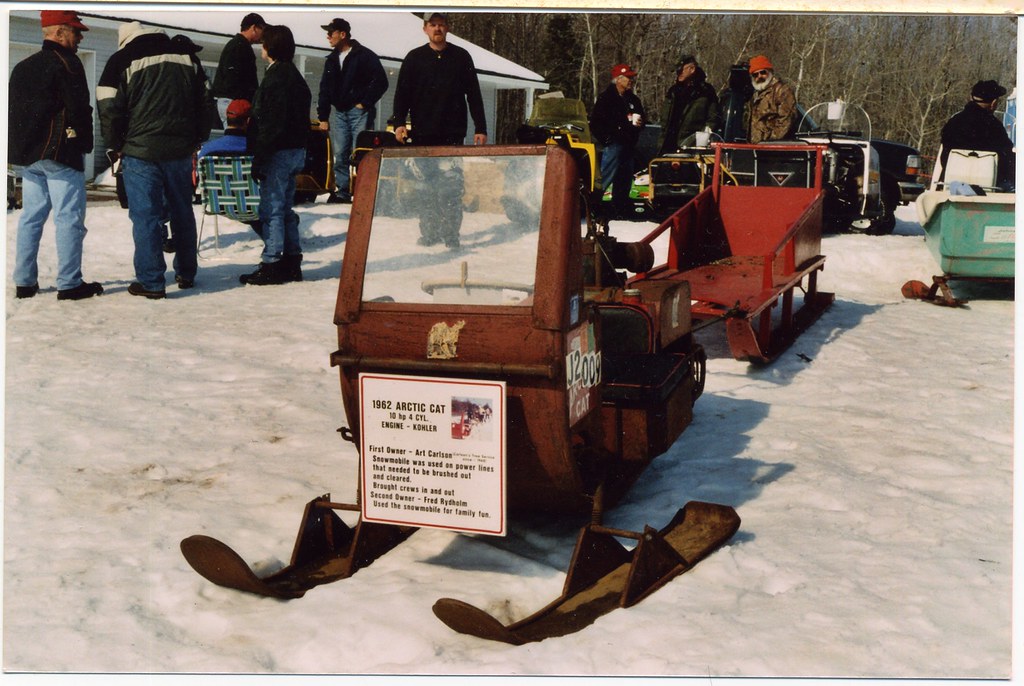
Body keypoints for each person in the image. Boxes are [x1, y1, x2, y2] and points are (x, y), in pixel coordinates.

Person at [97, 21, 215, 299]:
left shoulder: (120, 60)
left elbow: (109, 107)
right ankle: (187, 273)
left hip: (140, 151)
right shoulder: (188, 57)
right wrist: (197, 137)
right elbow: (206, 101)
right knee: (182, 211)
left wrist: (116, 144)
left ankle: (151, 282)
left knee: (147, 216)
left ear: (125, 40)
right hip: (179, 150)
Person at [8, 10, 103, 301]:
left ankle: (24, 281)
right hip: (60, 153)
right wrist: (85, 144)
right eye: (75, 31)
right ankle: (69, 283)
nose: (80, 36)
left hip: (30, 156)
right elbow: (79, 109)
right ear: (59, 33)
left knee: (31, 218)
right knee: (69, 219)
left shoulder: (23, 66)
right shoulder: (67, 62)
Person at [387, 12, 488, 248]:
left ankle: (451, 234)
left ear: (448, 28)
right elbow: (402, 94)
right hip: (423, 133)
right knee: (426, 188)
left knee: (451, 188)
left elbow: (474, 94)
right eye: (433, 25)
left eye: (441, 25)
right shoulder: (414, 58)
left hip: (452, 133)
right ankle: (430, 233)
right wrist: (399, 123)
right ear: (425, 29)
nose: (437, 29)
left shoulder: (461, 57)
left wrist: (480, 127)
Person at [240, 24, 312, 285]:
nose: (261, 47)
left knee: (271, 209)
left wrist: (260, 158)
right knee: (284, 209)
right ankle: (292, 261)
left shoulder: (275, 78)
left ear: (269, 47)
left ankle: (272, 262)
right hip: (295, 150)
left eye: (264, 43)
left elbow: (271, 124)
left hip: (278, 152)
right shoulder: (295, 76)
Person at [316, 17, 388, 204]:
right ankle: (342, 192)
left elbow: (381, 81)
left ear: (343, 34)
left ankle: (365, 191)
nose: (328, 37)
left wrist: (364, 103)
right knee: (340, 153)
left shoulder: (365, 56)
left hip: (359, 113)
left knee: (362, 153)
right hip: (339, 112)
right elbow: (324, 88)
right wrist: (323, 116)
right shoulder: (331, 60)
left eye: (331, 33)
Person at [589, 63, 646, 218]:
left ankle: (620, 209)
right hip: (613, 145)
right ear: (618, 79)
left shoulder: (633, 99)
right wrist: (607, 139)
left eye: (631, 77)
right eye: (628, 77)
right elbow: (595, 123)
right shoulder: (606, 98)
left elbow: (642, 118)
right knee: (606, 176)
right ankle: (593, 207)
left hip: (628, 145)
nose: (630, 80)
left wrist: (640, 124)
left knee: (625, 178)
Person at [940, 80, 1015, 190]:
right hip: (989, 188)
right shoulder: (995, 127)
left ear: (971, 97)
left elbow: (944, 157)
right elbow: (1007, 159)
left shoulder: (953, 122)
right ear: (994, 103)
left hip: (952, 186)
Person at [657, 54, 722, 154]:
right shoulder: (673, 91)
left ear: (692, 69)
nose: (678, 73)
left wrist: (704, 136)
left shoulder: (705, 91)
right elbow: (665, 119)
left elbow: (713, 118)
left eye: (680, 70)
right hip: (669, 145)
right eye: (677, 71)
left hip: (692, 146)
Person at [211, 13, 265, 125]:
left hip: (231, 101)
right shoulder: (239, 46)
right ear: (254, 27)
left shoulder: (239, 44)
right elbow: (232, 78)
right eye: (262, 29)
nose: (263, 35)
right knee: (237, 137)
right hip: (233, 103)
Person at [744, 55, 797, 144]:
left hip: (773, 148)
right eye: (755, 74)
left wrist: (770, 141)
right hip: (754, 147)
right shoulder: (754, 95)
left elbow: (786, 120)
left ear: (770, 72)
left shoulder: (782, 91)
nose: (760, 76)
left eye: (763, 72)